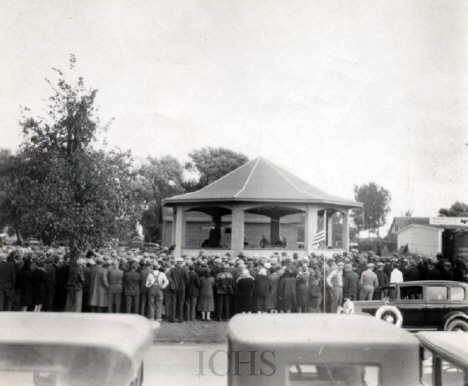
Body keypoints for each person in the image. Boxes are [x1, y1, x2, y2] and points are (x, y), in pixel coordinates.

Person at [166, 257, 189, 323]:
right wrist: (184, 283)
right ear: (181, 263)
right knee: (181, 303)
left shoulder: (172, 269)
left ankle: (173, 318)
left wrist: (172, 282)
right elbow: (187, 278)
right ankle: (180, 319)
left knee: (173, 303)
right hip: (182, 288)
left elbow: (168, 277)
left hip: (173, 287)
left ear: (176, 263)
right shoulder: (184, 269)